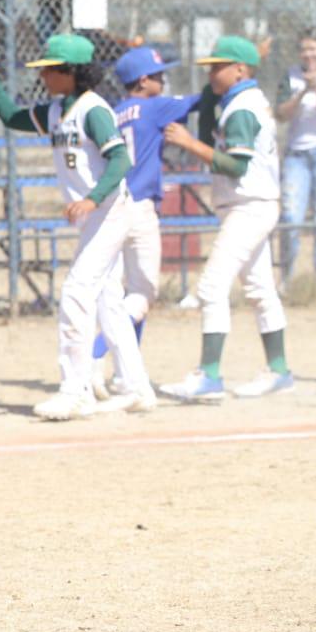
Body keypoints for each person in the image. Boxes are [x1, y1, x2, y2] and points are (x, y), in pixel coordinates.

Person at [0, 32, 154, 419]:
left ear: (73, 72)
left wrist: (92, 198)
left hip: (109, 209)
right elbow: (11, 116)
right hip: (96, 214)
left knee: (76, 292)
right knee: (106, 299)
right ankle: (136, 387)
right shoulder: (57, 110)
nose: (44, 76)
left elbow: (120, 160)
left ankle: (76, 390)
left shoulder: (93, 109)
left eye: (51, 69)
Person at [160, 36, 295, 401]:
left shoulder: (242, 109)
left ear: (239, 70)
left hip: (249, 206)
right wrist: (245, 63)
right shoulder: (239, 100)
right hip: (250, 203)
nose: (211, 73)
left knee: (211, 287)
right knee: (260, 289)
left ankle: (209, 375)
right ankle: (279, 371)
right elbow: (211, 124)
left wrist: (188, 143)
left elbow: (235, 165)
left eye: (218, 67)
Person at [87, 47, 204, 395]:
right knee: (142, 294)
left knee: (122, 292)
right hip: (139, 209)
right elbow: (200, 100)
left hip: (113, 208)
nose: (162, 80)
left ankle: (126, 374)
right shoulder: (154, 107)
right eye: (157, 76)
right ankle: (95, 354)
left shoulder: (112, 113)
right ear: (142, 81)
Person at [275, 27, 316, 281]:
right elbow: (281, 114)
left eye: (313, 49)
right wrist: (304, 90)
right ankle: (287, 280)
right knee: (291, 217)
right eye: (304, 50)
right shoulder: (291, 76)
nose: (308, 55)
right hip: (296, 154)